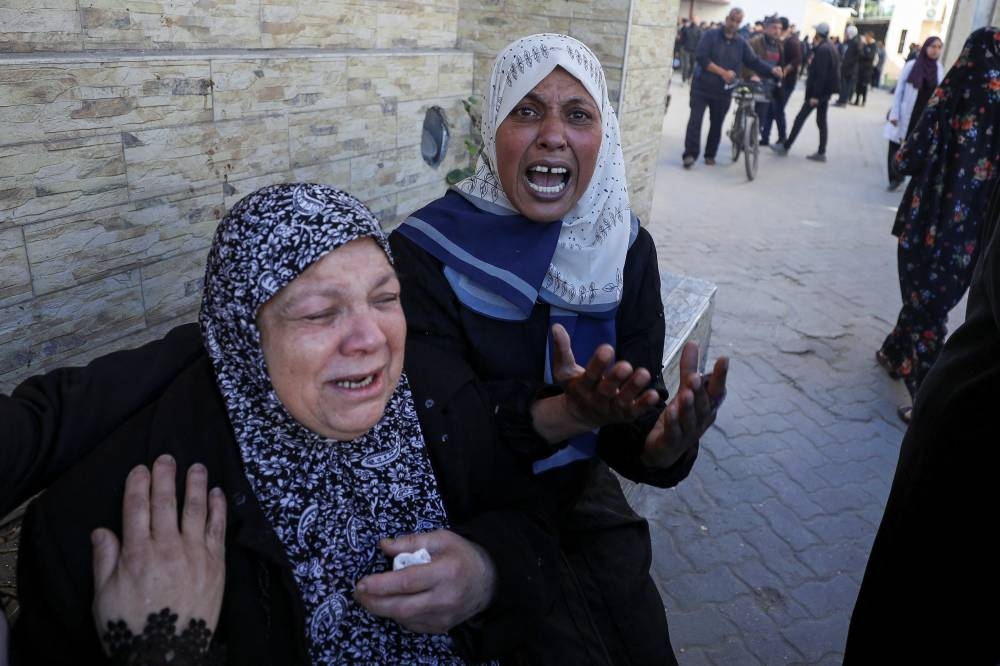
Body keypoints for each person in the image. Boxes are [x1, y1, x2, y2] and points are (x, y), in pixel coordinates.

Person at [10, 183, 562, 664]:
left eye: (385, 298)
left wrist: (488, 572)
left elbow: (541, 527)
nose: (371, 339)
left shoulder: (438, 392)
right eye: (321, 312)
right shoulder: (125, 526)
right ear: (244, 338)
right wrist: (166, 650)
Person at [392, 33, 728, 664]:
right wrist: (565, 413)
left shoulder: (625, 249)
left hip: (586, 509)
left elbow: (633, 413)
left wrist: (660, 445)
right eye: (526, 109)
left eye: (578, 114)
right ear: (494, 127)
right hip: (466, 525)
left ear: (604, 134)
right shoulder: (424, 252)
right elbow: (441, 433)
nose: (552, 135)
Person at [845, 141, 1000, 664]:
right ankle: (908, 365)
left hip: (944, 233)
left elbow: (914, 150)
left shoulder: (973, 77)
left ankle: (903, 358)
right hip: (974, 428)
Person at [875, 27, 1000, 423]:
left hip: (926, 221)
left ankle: (927, 401)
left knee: (925, 310)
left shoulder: (952, 91)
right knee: (929, 301)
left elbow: (906, 160)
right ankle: (894, 352)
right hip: (973, 238)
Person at [682, 7, 783, 167]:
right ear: (727, 18)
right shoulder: (710, 35)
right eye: (732, 19)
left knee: (717, 123)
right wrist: (723, 72)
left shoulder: (741, 43)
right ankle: (690, 154)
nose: (734, 24)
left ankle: (710, 155)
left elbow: (753, 61)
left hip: (724, 90)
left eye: (738, 21)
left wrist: (772, 70)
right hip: (702, 87)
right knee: (695, 121)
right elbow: (701, 57)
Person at [771, 22, 840, 162]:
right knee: (821, 121)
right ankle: (821, 152)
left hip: (818, 93)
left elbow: (821, 75)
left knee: (800, 118)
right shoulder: (829, 47)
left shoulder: (823, 50)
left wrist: (815, 96)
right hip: (825, 93)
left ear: (818, 34)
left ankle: (786, 146)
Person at [883, 36, 944, 191]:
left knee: (914, 147)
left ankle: (905, 172)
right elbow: (899, 91)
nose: (935, 50)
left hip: (923, 116)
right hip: (906, 112)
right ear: (925, 47)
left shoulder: (939, 69)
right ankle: (895, 177)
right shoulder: (912, 66)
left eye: (938, 47)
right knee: (895, 146)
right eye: (932, 46)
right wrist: (895, 114)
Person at [747, 16, 787, 146]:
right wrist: (752, 75)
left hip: (768, 85)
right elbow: (745, 61)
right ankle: (742, 131)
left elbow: (779, 65)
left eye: (780, 28)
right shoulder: (755, 42)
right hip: (752, 81)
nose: (777, 31)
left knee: (762, 114)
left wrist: (780, 74)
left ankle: (753, 137)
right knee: (747, 108)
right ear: (766, 28)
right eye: (774, 27)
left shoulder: (779, 46)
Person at [835, 25, 861, 106]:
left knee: (846, 86)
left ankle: (843, 101)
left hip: (850, 69)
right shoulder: (849, 42)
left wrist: (849, 63)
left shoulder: (856, 42)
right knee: (843, 85)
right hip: (845, 67)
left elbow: (858, 56)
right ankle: (841, 99)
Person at [852, 32, 877, 106]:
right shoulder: (865, 45)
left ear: (870, 37)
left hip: (867, 70)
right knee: (858, 85)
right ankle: (857, 100)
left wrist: (863, 54)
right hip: (861, 68)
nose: (865, 38)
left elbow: (869, 56)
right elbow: (861, 54)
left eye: (867, 37)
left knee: (864, 86)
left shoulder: (873, 46)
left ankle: (863, 100)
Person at [681, 16, 703, 84]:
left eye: (695, 19)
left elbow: (700, 40)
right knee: (686, 66)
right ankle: (684, 79)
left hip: (694, 51)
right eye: (693, 19)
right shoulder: (686, 28)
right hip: (686, 49)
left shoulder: (699, 30)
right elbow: (682, 37)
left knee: (693, 66)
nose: (693, 20)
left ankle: (689, 78)